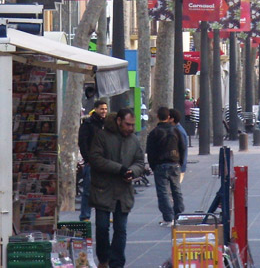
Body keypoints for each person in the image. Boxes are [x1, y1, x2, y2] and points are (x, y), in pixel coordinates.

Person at [89, 108, 146, 268]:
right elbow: (95, 158)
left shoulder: (133, 140)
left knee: (120, 229)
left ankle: (117, 263)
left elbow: (140, 162)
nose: (130, 128)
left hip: (123, 191)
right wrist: (119, 168)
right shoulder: (102, 136)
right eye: (127, 124)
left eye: (132, 125)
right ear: (119, 121)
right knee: (102, 227)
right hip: (103, 189)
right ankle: (104, 258)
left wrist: (131, 172)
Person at [146, 106, 185, 226]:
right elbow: (182, 148)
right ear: (168, 117)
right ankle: (178, 213)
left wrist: (153, 166)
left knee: (163, 192)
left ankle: (168, 218)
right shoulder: (176, 131)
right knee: (176, 189)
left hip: (160, 164)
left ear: (158, 116)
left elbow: (150, 152)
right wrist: (180, 162)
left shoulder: (154, 133)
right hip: (175, 163)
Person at [78, 99, 108, 221]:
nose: (104, 111)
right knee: (88, 190)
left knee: (106, 190)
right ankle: (85, 215)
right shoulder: (88, 124)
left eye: (105, 109)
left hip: (105, 161)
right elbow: (83, 143)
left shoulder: (108, 123)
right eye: (102, 109)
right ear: (95, 109)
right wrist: (88, 159)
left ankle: (105, 213)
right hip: (92, 162)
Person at [168, 108, 190, 183]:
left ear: (171, 119)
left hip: (178, 166)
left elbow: (182, 149)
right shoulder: (177, 130)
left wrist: (181, 164)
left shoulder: (178, 131)